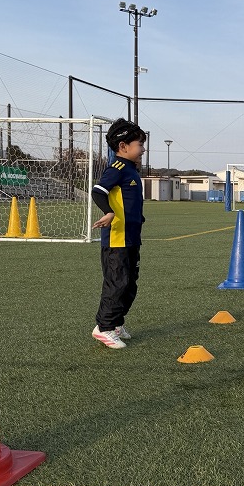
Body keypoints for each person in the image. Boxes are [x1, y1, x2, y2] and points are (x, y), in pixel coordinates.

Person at [90, 118, 146, 349]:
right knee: (117, 283)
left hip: (131, 238)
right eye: (139, 144)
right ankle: (103, 328)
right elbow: (98, 191)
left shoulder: (131, 170)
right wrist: (109, 212)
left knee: (130, 284)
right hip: (117, 239)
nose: (143, 149)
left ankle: (115, 324)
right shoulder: (117, 169)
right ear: (123, 146)